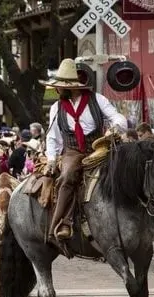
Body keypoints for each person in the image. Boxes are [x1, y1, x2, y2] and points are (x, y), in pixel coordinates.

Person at [43, 58, 127, 241]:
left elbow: (119, 118)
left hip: (99, 148)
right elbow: (52, 137)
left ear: (71, 87)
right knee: (67, 177)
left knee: (125, 170)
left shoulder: (98, 100)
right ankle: (63, 222)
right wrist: (51, 159)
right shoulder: (56, 107)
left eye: (60, 86)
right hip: (72, 151)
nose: (57, 90)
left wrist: (114, 128)